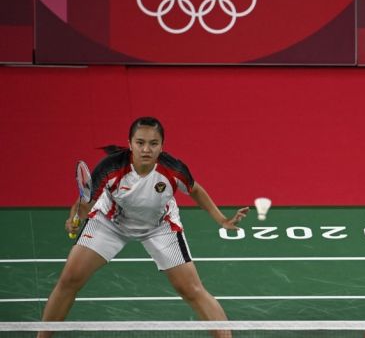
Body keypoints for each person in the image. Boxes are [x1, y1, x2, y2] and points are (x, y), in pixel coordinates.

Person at [39, 117, 249, 338]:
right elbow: (86, 201)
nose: (146, 149)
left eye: (153, 143)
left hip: (160, 226)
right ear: (130, 143)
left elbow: (195, 189)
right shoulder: (112, 167)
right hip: (110, 223)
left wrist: (221, 219)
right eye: (140, 143)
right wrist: (77, 216)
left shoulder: (172, 169)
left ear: (162, 146)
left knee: (191, 290)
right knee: (70, 279)